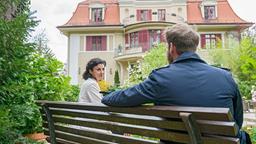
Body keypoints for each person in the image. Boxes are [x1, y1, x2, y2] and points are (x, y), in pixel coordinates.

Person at [102, 23, 250, 143]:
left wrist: (106, 95)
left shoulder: (161, 78)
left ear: (172, 47)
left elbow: (122, 98)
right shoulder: (225, 77)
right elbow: (237, 120)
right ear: (195, 47)